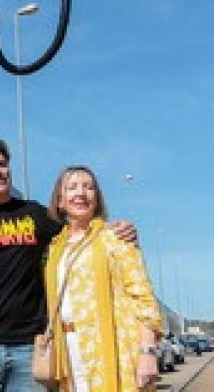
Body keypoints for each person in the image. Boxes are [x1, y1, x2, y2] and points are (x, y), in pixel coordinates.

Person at [0, 138, 138, 392]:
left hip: (30, 349)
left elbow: (81, 233)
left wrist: (117, 230)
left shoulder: (35, 214)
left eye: (1, 164)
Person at [43, 166, 161, 391]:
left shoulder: (115, 238)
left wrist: (147, 352)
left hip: (114, 350)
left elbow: (143, 298)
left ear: (96, 199)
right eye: (72, 187)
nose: (81, 193)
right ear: (60, 201)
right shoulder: (54, 248)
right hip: (68, 351)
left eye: (89, 187)